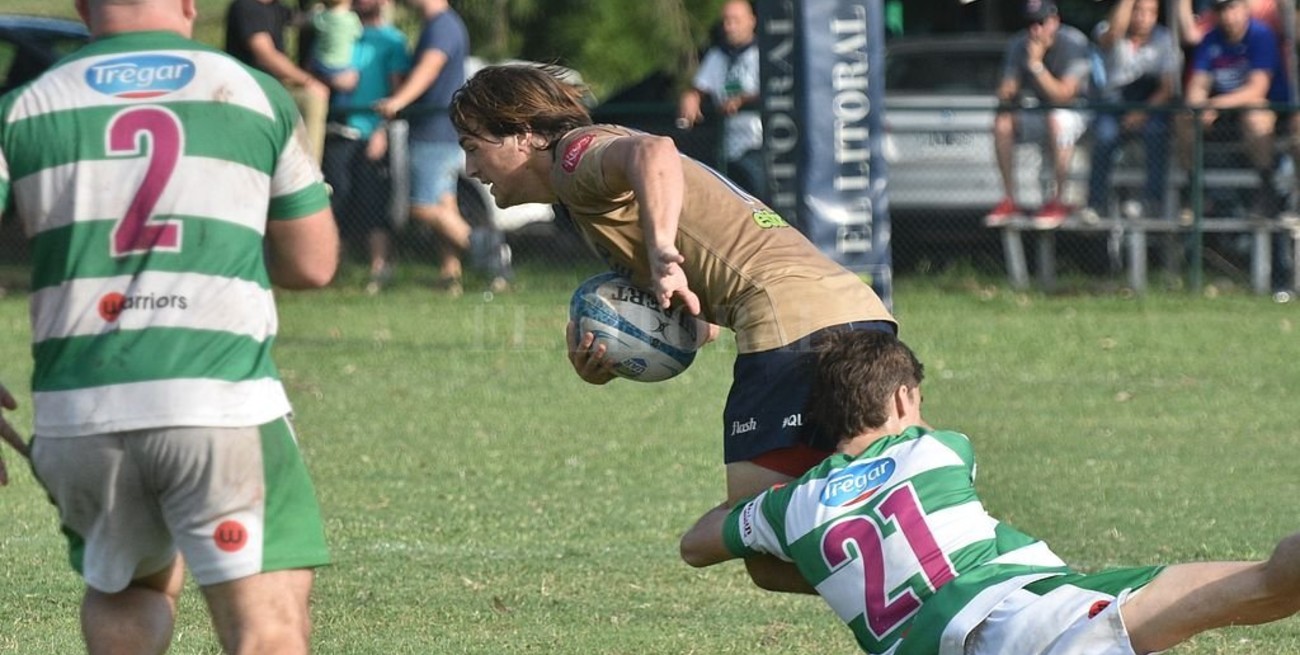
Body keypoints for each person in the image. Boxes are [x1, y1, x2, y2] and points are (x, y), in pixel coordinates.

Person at [450, 64, 897, 593]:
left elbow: (654, 150)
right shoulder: (585, 194)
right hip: (852, 309)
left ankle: (921, 578)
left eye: (473, 145)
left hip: (789, 322)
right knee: (887, 510)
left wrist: (663, 252)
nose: (471, 165)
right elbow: (700, 328)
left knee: (760, 542)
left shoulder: (575, 155)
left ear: (523, 134)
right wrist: (612, 359)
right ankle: (952, 584)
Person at [0, 0, 339, 651]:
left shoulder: (26, 104)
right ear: (188, 3)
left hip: (80, 410)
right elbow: (314, 263)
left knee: (130, 593)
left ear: (81, 5)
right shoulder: (251, 91)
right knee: (267, 624)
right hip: (218, 402)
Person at [681, 330, 1300, 655]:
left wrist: (772, 518)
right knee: (1271, 582)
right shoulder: (940, 448)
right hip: (1024, 622)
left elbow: (697, 543)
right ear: (903, 399)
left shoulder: (788, 510)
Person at [375, 0, 509, 295]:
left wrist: (398, 101)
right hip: (439, 130)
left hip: (432, 132)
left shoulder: (442, 25)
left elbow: (429, 68)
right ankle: (451, 276)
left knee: (421, 207)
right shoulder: (441, 24)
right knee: (445, 206)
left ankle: (490, 253)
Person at [321, 0, 409, 294]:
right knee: (336, 203)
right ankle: (329, 272)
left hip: (372, 134)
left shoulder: (393, 40)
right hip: (337, 131)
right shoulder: (338, 30)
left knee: (374, 204)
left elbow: (397, 91)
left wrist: (382, 131)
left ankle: (379, 271)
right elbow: (316, 70)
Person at [985, 0, 1093, 230]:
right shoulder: (1019, 43)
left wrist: (1035, 65)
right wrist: (1008, 88)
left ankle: (1058, 200)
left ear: (1055, 21)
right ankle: (1009, 199)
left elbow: (1064, 96)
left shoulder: (1073, 42)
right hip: (1039, 112)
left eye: (1041, 22)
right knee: (1002, 121)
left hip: (1076, 113)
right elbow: (1006, 92)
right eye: (1031, 23)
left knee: (1057, 118)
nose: (1035, 29)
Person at [1081, 0, 1177, 224]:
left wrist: (1142, 112)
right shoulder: (1109, 30)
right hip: (1114, 103)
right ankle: (1095, 204)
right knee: (1104, 137)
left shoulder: (1165, 39)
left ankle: (1151, 202)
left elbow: (1167, 88)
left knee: (1157, 133)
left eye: (1150, 12)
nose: (1143, 17)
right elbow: (1112, 34)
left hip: (1149, 102)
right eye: (1138, 11)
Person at [677, 0, 767, 204]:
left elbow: (773, 91)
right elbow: (700, 87)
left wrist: (742, 100)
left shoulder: (763, 54)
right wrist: (691, 97)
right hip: (727, 149)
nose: (729, 26)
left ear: (751, 21)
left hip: (758, 146)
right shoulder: (718, 56)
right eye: (726, 21)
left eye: (735, 20)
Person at [225, 0, 331, 162]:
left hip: (274, 89)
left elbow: (302, 20)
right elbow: (266, 55)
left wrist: (333, 12)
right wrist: (308, 81)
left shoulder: (275, 8)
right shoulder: (247, 7)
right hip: (251, 92)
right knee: (312, 97)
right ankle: (310, 174)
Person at [307, 0, 362, 97]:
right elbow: (358, 34)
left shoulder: (321, 17)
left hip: (320, 64)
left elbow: (311, 21)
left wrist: (315, 10)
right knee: (343, 94)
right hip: (341, 65)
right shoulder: (352, 19)